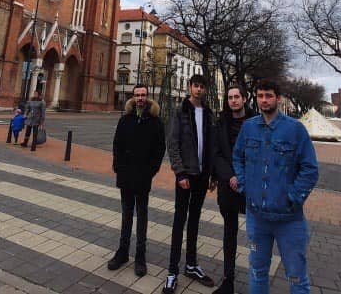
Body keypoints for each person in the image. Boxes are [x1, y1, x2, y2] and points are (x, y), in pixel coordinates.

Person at [233, 80, 319, 294]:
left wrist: (293, 197)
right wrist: (245, 185)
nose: (264, 100)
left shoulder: (295, 129)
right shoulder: (248, 127)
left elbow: (310, 169)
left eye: (269, 95)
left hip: (288, 220)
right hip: (257, 218)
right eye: (260, 96)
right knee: (257, 271)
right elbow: (237, 157)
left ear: (278, 98)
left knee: (296, 276)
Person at [162, 74, 217, 294]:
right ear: (189, 87)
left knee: (194, 220)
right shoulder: (180, 111)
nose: (199, 90)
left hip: (202, 176)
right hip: (186, 175)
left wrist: (212, 174)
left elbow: (212, 146)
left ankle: (191, 265)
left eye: (202, 86)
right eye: (196, 86)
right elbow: (172, 143)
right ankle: (172, 271)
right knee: (179, 221)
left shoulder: (209, 113)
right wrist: (180, 172)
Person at [108, 84, 166, 277]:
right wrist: (118, 165)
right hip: (126, 174)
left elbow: (160, 149)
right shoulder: (125, 119)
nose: (140, 98)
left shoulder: (155, 121)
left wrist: (151, 170)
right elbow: (117, 143)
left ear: (148, 97)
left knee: (141, 216)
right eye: (137, 95)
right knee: (126, 214)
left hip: (143, 175)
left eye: (143, 95)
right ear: (132, 98)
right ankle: (122, 252)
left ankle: (140, 256)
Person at [212, 85, 255, 294]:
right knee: (229, 233)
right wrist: (229, 176)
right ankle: (228, 280)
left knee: (256, 235)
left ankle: (258, 282)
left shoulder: (256, 122)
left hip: (251, 186)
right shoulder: (221, 123)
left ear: (244, 99)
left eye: (237, 97)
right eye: (230, 97)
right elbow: (217, 153)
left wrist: (243, 176)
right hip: (228, 185)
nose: (233, 101)